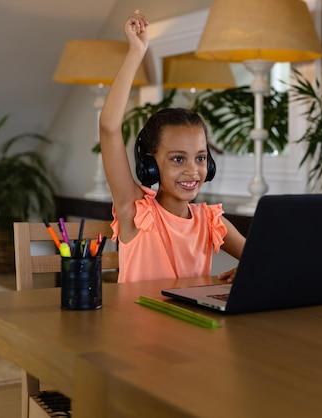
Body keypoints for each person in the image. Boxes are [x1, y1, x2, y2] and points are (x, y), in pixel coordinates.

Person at [99, 9, 245, 283]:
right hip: (135, 324)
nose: (193, 170)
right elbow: (108, 128)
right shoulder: (136, 211)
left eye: (200, 158)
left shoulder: (211, 221)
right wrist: (137, 51)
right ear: (151, 164)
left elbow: (263, 260)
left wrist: (250, 270)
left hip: (192, 324)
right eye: (178, 159)